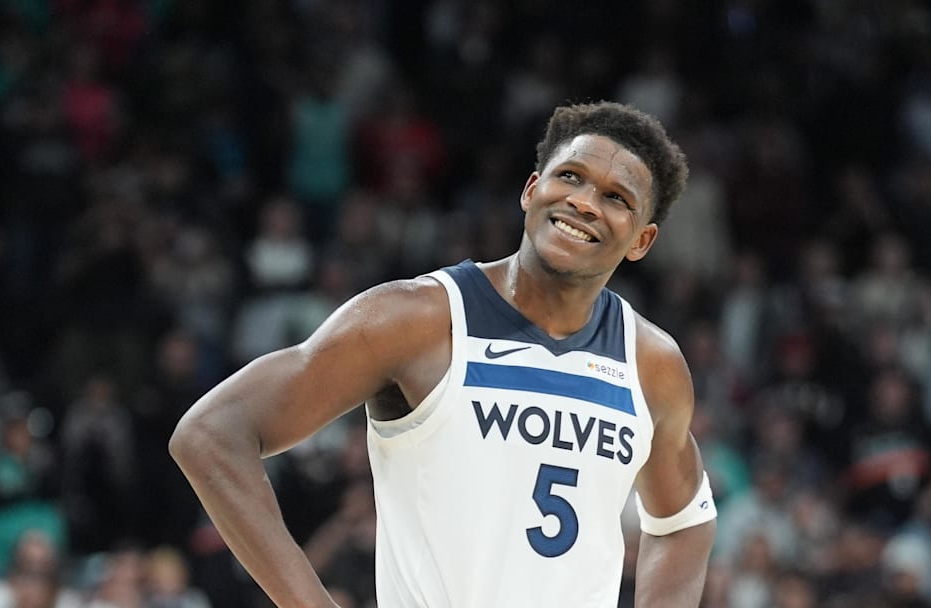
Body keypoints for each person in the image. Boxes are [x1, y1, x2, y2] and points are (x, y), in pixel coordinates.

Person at [169, 101, 717, 607]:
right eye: (569, 176)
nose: (583, 201)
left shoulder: (651, 363)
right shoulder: (415, 321)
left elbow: (685, 521)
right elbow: (212, 433)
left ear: (641, 240)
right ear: (531, 189)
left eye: (615, 197)